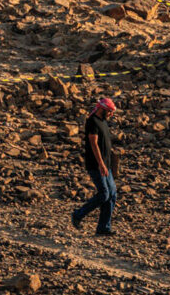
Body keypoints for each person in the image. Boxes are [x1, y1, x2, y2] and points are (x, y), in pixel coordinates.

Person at [71, 97, 119, 236]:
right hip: (96, 165)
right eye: (109, 112)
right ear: (102, 109)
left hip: (106, 165)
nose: (111, 115)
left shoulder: (103, 121)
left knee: (112, 195)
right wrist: (101, 164)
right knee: (104, 194)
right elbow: (94, 144)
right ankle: (78, 214)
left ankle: (104, 227)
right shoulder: (92, 122)